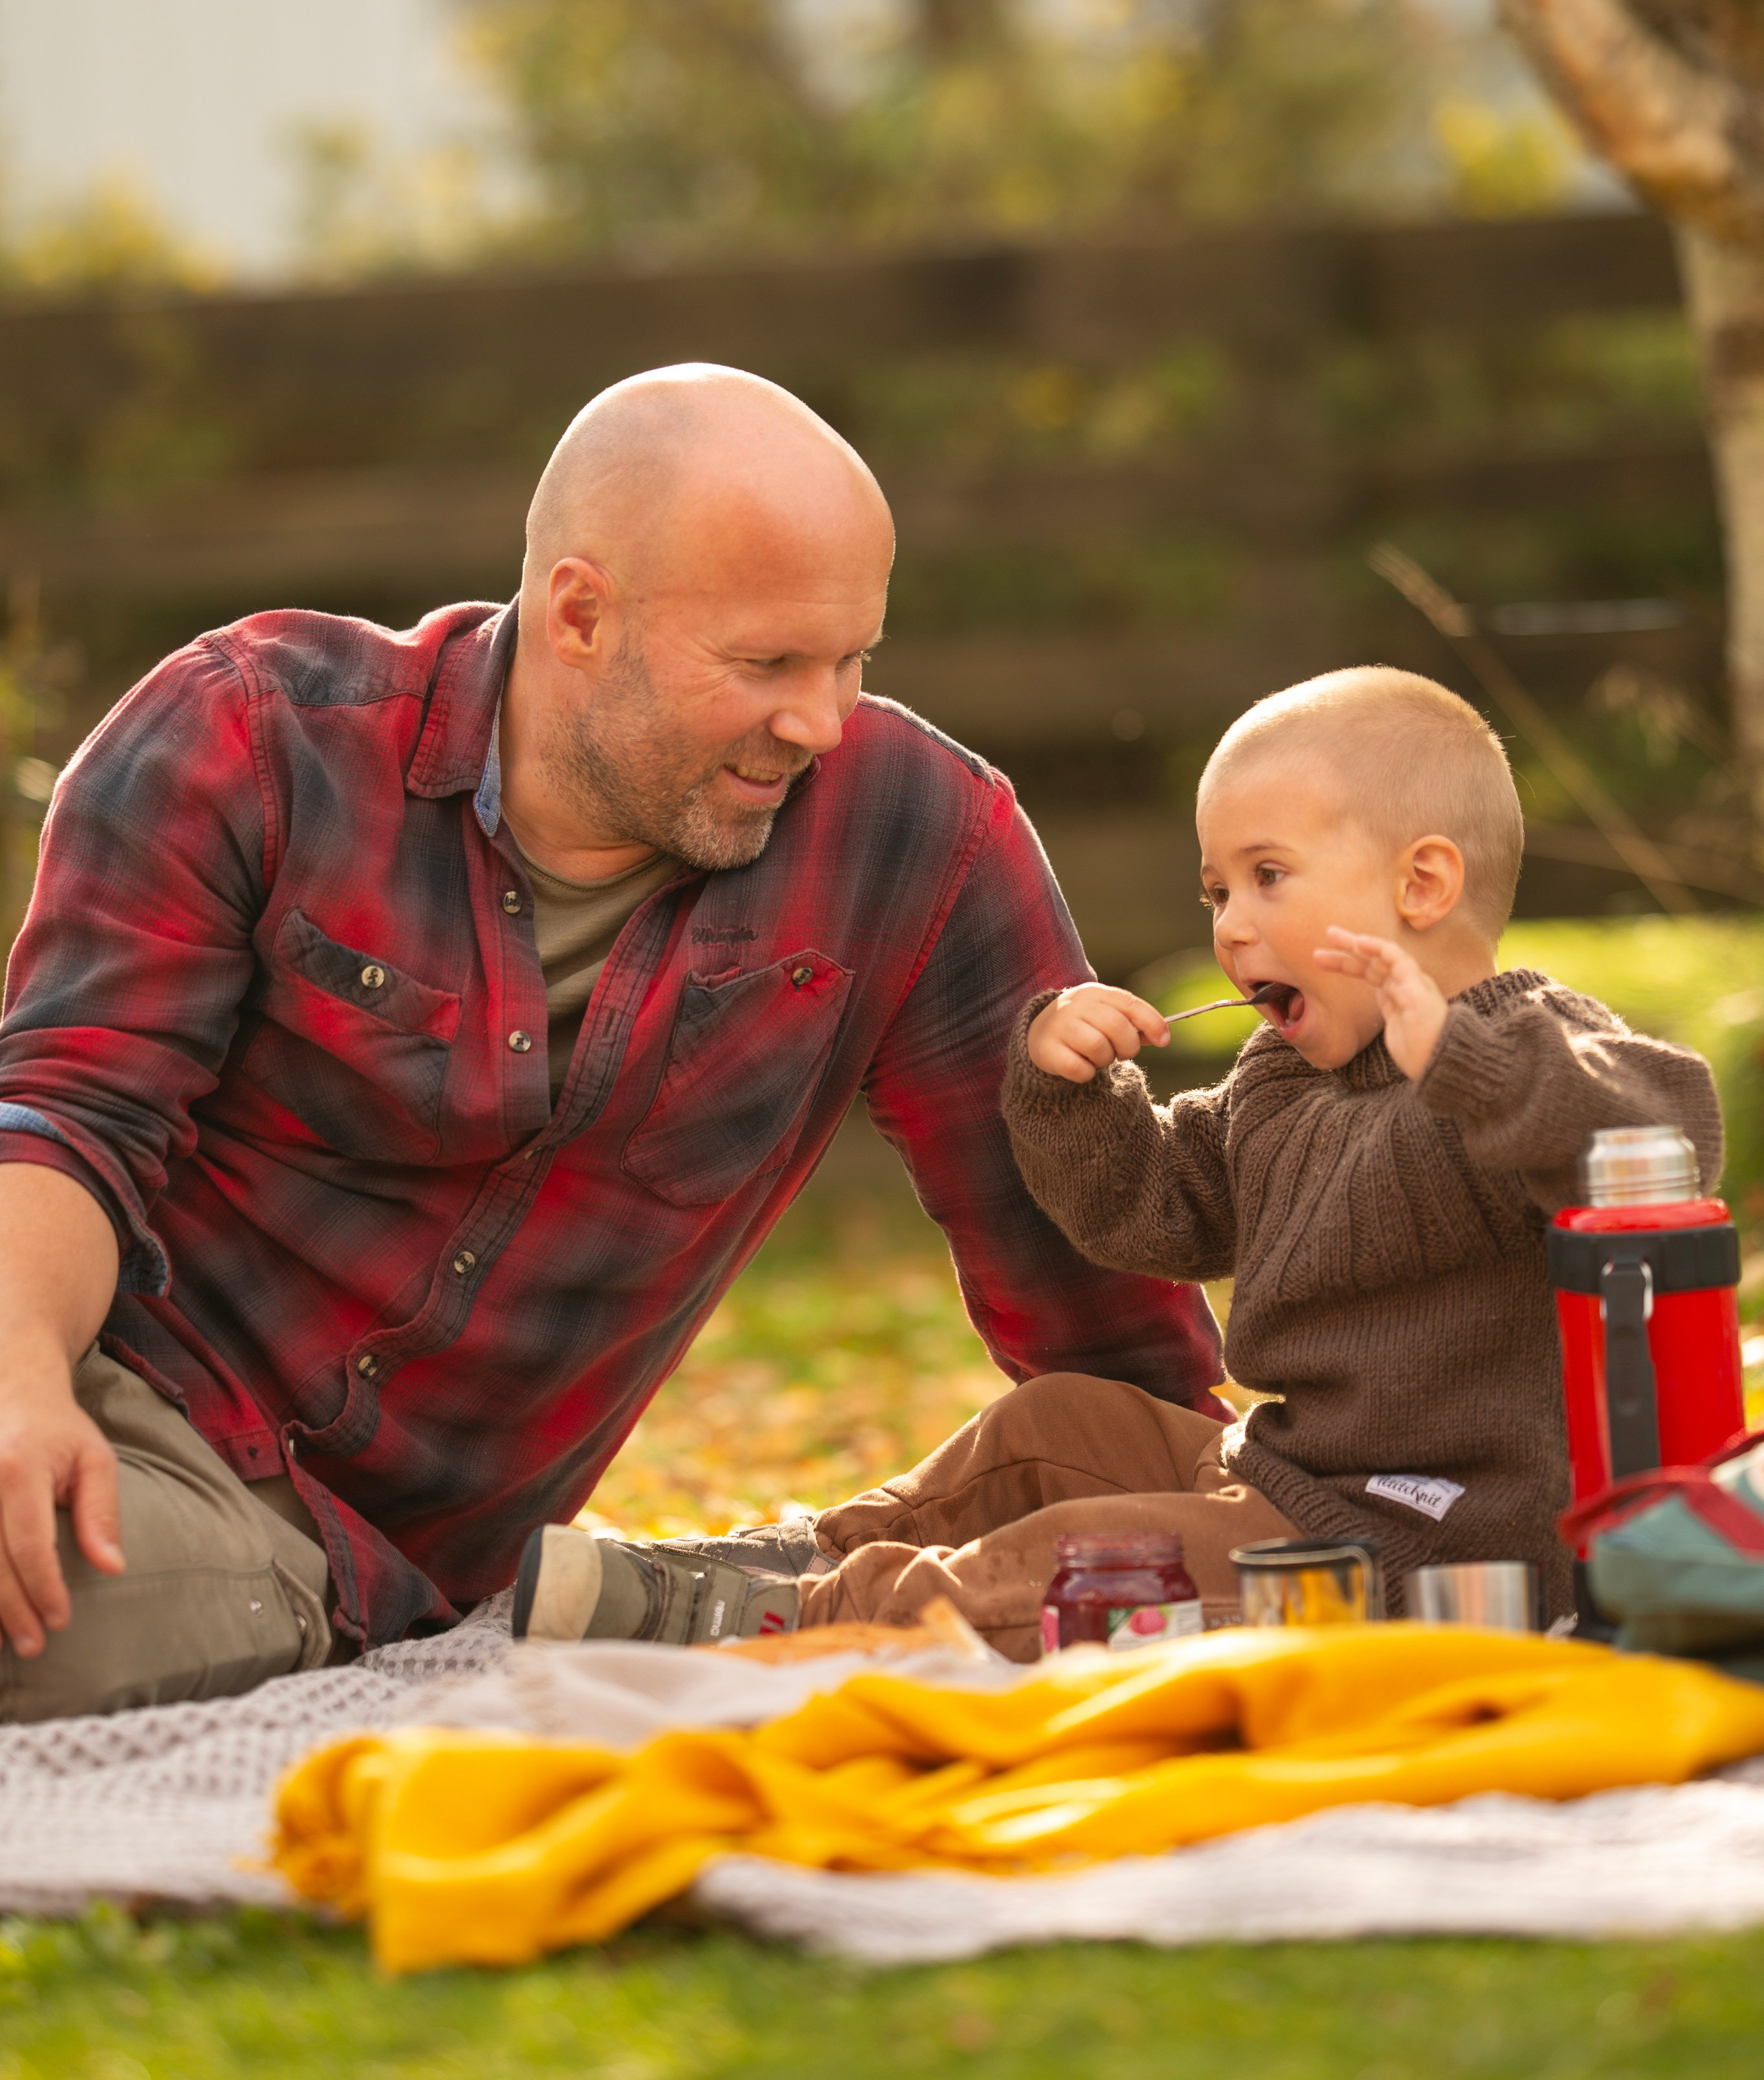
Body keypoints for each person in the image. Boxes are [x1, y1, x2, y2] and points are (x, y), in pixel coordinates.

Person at [0, 365, 1226, 1722]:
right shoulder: (251, 735)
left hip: (322, 1554)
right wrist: (17, 1385)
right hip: (90, 1371)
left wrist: (1268, 1516)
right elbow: (66, 1117)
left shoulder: (914, 840)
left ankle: (744, 1595)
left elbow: (1087, 1287)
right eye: (765, 664)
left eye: (851, 658)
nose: (819, 720)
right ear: (578, 613)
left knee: (60, 1626)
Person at [532, 666, 1720, 1656]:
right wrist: (1076, 1093)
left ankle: (796, 1618)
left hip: (1422, 1543)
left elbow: (1665, 1135)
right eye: (1216, 890)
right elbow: (1155, 1209)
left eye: (1268, 876)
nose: (1231, 925)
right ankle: (813, 1547)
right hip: (1286, 1475)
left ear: (1421, 885)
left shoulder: (1523, 1038)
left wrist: (1455, 1057)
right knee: (1056, 1421)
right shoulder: (1284, 1077)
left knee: (1078, 1569)